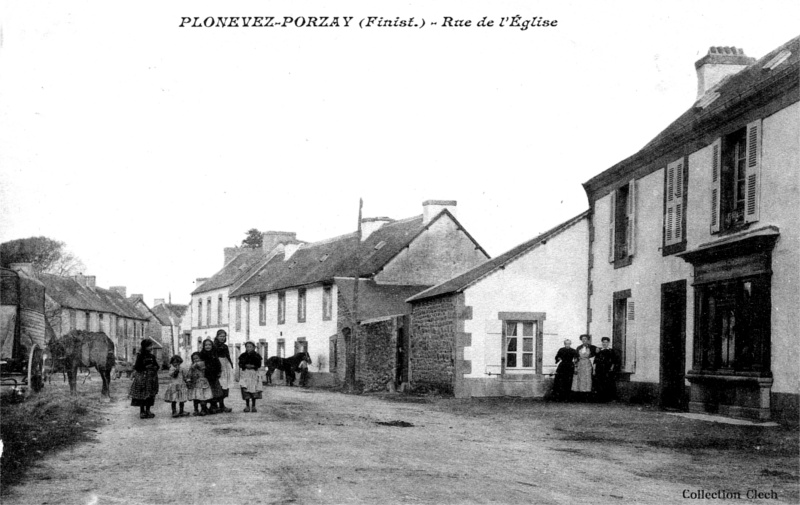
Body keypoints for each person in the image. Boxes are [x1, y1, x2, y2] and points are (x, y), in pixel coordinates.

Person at [129, 339, 160, 419]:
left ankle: (148, 410)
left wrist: (155, 367)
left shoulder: (152, 356)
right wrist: (145, 367)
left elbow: (157, 366)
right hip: (143, 378)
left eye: (151, 346)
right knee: (142, 395)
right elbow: (137, 367)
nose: (151, 347)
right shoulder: (140, 356)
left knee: (150, 395)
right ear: (144, 347)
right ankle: (142, 411)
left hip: (151, 378)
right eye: (149, 346)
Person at [199, 338, 225, 413]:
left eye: (209, 345)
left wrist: (219, 372)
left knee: (214, 392)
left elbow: (218, 365)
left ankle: (213, 406)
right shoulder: (201, 355)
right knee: (205, 392)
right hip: (205, 377)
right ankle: (204, 408)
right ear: (203, 346)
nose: (208, 346)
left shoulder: (214, 354)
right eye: (206, 345)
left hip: (213, 376)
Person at [593, 337, 621, 402]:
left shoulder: (611, 351)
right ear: (602, 343)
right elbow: (595, 361)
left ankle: (609, 398)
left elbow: (614, 361)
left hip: (608, 370)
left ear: (608, 343)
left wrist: (611, 368)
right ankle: (601, 398)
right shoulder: (599, 351)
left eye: (606, 342)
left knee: (609, 383)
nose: (604, 343)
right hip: (600, 369)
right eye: (603, 342)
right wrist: (594, 370)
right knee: (600, 383)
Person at [238, 341, 263, 412]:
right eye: (247, 347)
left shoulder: (257, 356)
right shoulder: (243, 355)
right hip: (245, 373)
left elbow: (259, 364)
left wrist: (253, 366)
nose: (249, 348)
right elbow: (240, 364)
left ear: (254, 347)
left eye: (250, 347)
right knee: (246, 389)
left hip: (254, 373)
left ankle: (254, 406)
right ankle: (247, 405)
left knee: (254, 389)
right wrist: (245, 365)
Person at [213, 330, 234, 413]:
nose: (222, 338)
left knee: (224, 385)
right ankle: (215, 405)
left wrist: (231, 364)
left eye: (224, 336)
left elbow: (227, 355)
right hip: (217, 365)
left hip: (225, 366)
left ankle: (222, 405)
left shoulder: (225, 346)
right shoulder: (214, 345)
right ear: (217, 336)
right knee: (219, 385)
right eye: (220, 336)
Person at [572, 334, 597, 400]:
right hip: (580, 364)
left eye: (585, 339)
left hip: (587, 364)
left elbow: (597, 354)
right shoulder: (579, 347)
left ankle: (587, 395)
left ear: (588, 340)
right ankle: (580, 395)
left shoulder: (592, 347)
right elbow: (575, 357)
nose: (584, 340)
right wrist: (576, 365)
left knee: (587, 378)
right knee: (580, 378)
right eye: (582, 339)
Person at [187, 352, 212, 416]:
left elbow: (200, 366)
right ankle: (196, 410)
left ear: (200, 358)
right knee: (195, 397)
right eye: (194, 359)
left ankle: (203, 409)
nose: (195, 360)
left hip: (202, 382)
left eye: (197, 358)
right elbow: (189, 373)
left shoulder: (201, 363)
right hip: (195, 383)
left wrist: (193, 365)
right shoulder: (192, 366)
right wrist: (189, 379)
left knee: (202, 397)